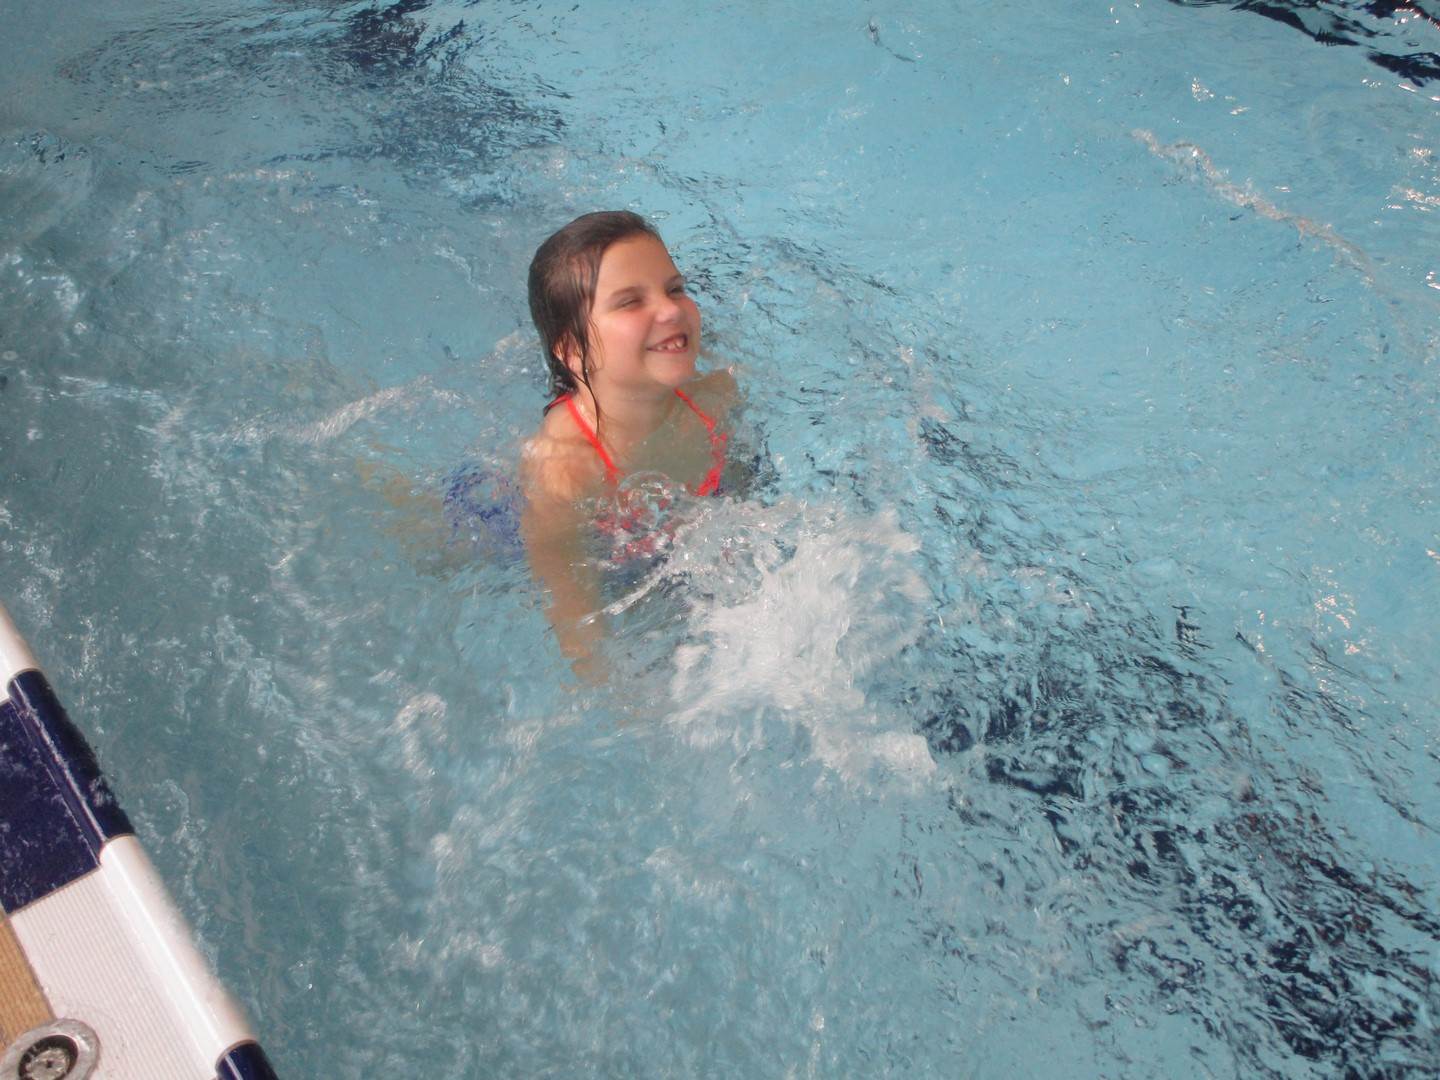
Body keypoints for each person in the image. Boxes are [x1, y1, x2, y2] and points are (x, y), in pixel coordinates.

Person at [521, 211, 737, 677]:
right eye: (630, 301)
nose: (671, 310)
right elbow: (572, 612)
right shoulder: (566, 469)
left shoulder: (716, 400)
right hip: (520, 536)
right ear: (572, 350)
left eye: (675, 289)